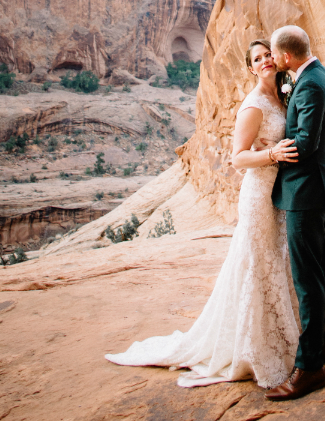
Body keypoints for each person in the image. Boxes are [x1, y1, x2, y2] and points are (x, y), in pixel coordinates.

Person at [105, 39, 300, 389]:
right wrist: (274, 154)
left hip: (279, 194)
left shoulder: (283, 94)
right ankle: (255, 350)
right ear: (251, 68)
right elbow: (238, 158)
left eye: (268, 54)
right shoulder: (254, 105)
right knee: (259, 265)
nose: (265, 60)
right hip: (258, 194)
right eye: (257, 58)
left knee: (276, 263)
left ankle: (286, 340)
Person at [265, 24, 325, 402]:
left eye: (273, 54)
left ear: (286, 57)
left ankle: (310, 366)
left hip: (307, 193)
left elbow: (305, 145)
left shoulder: (311, 84)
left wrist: (272, 158)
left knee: (308, 278)